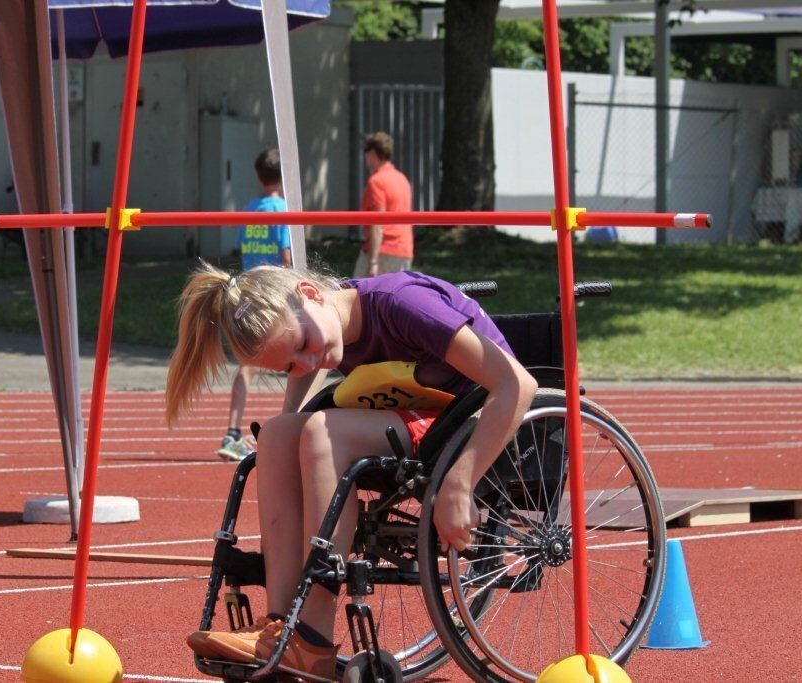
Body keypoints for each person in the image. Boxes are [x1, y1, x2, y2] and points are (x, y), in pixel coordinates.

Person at [167, 264, 537, 679]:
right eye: (289, 367)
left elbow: (517, 384)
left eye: (304, 344)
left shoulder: (402, 304)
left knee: (321, 434)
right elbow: (294, 405)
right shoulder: (325, 325)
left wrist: (459, 484)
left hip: (470, 418)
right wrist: (282, 442)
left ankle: (311, 639)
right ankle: (280, 624)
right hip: (410, 416)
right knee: (275, 435)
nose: (309, 362)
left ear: (310, 293)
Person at [216, 149, 292, 462]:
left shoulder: (249, 209)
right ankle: (292, 433)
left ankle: (232, 431)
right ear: (282, 176)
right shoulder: (283, 210)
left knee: (246, 363)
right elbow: (286, 257)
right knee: (301, 361)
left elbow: (244, 247)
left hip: (248, 292)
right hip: (274, 294)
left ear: (259, 177)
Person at [354, 131, 414, 278]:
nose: (365, 156)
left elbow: (377, 223)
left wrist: (373, 261)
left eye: (366, 151)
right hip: (404, 251)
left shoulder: (376, 181)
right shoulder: (402, 179)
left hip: (383, 251)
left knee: (356, 289)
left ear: (373, 153)